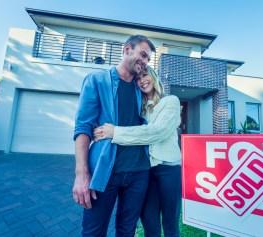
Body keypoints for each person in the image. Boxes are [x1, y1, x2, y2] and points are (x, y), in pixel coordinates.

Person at [72, 35, 156, 237]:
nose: (144, 62)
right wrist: (81, 174)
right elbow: (83, 127)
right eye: (143, 55)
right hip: (105, 171)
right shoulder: (97, 80)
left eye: (148, 59)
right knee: (93, 231)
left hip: (139, 172)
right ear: (127, 49)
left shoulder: (142, 87)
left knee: (127, 231)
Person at [94, 66, 182, 237]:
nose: (142, 80)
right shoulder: (141, 109)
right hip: (146, 170)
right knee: (150, 224)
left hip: (168, 170)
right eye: (138, 79)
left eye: (144, 75)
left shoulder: (170, 101)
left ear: (154, 76)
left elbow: (158, 132)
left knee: (170, 224)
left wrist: (115, 132)